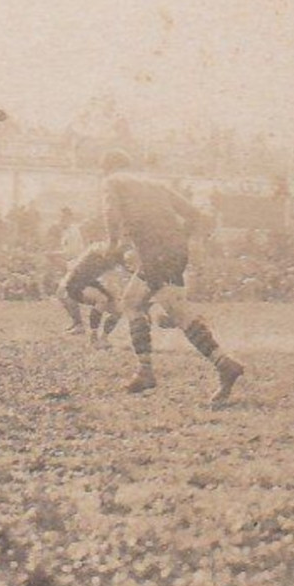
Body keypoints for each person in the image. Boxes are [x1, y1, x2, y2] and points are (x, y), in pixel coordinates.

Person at [101, 149, 245, 407]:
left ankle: (224, 363)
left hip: (154, 250)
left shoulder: (113, 180)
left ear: (107, 168)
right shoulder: (154, 184)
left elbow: (111, 212)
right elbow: (195, 215)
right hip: (172, 248)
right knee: (132, 301)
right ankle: (144, 371)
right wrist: (183, 240)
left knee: (177, 312)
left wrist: (113, 244)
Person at [59, 239, 127, 349]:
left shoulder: (119, 254)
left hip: (92, 283)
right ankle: (93, 337)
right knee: (101, 299)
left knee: (118, 311)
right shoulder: (96, 251)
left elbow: (127, 270)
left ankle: (104, 339)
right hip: (76, 284)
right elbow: (75, 270)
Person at [52, 207, 90, 333]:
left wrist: (54, 254)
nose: (60, 220)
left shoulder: (73, 232)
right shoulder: (67, 231)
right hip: (73, 265)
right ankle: (77, 323)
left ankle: (79, 325)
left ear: (69, 218)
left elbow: (73, 252)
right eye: (59, 218)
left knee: (64, 294)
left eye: (62, 218)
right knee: (62, 294)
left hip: (77, 265)